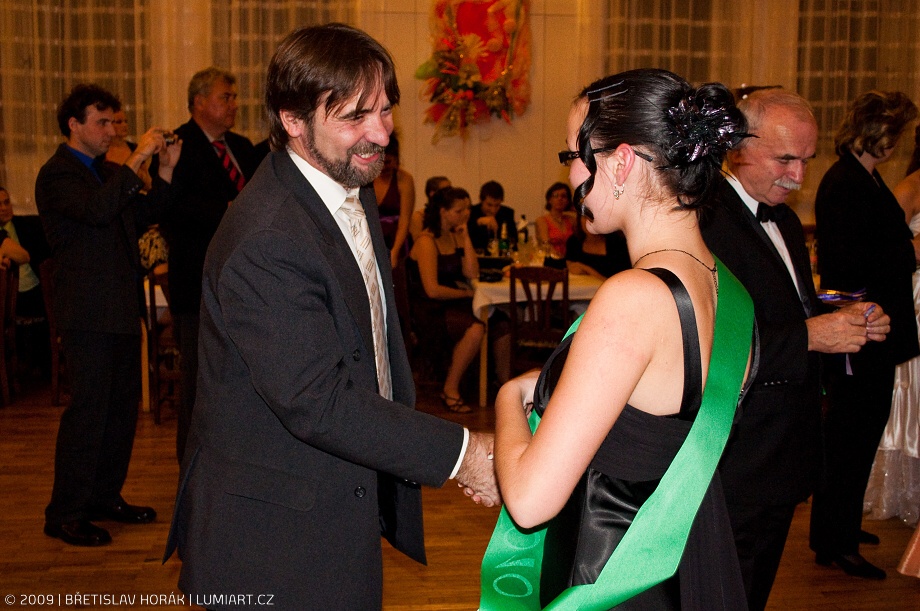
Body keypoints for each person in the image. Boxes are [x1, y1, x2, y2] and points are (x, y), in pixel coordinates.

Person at [164, 24, 498, 610]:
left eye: (386, 110)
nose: (381, 133)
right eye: (355, 116)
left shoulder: (345, 180)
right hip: (272, 539)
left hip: (333, 503)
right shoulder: (267, 238)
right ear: (293, 120)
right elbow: (319, 402)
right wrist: (466, 455)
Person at [492, 69, 753, 609]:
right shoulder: (727, 290)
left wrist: (507, 397)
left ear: (621, 162)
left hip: (611, 578)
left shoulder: (634, 298)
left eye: (572, 155)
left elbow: (530, 501)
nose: (570, 174)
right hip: (678, 564)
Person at [699, 88, 890, 609]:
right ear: (738, 147)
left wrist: (845, 316)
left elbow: (788, 307)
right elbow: (706, 339)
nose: (799, 177)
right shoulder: (704, 221)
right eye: (785, 159)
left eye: (806, 160)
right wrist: (812, 335)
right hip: (736, 454)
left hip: (783, 451)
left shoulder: (781, 218)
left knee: (754, 590)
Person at [35, 84, 181, 547]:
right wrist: (136, 159)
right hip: (86, 312)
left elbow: (144, 215)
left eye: (114, 122)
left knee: (120, 411)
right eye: (102, 122)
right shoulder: (58, 174)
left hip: (118, 307)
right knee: (89, 412)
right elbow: (98, 212)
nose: (112, 131)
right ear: (73, 125)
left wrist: (165, 170)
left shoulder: (105, 172)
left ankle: (103, 497)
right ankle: (65, 512)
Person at [811, 90, 920, 581]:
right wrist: (911, 253)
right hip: (861, 330)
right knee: (850, 437)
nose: (899, 143)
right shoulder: (845, 182)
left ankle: (840, 528)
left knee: (858, 435)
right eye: (896, 132)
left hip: (872, 330)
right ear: (879, 131)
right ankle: (836, 541)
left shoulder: (864, 178)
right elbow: (850, 261)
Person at [161, 67, 261, 463]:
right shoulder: (177, 146)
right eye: (226, 97)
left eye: (234, 97)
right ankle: (192, 468)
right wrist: (228, 209)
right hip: (198, 282)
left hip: (245, 282)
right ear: (199, 102)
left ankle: (234, 461)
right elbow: (171, 209)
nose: (234, 104)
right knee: (198, 381)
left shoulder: (241, 146)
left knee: (241, 377)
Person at [408, 186, 508, 413]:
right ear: (443, 212)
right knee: (475, 329)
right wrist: (466, 294)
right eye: (459, 211)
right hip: (431, 308)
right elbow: (432, 290)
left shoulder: (455, 235)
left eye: (467, 209)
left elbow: (472, 273)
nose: (465, 214)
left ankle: (503, 386)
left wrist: (466, 237)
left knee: (502, 324)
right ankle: (450, 388)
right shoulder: (426, 240)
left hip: (453, 301)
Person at [372, 132, 416, 268]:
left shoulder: (404, 180)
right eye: (379, 162)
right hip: (372, 239)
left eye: (387, 162)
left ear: (396, 159)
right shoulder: (367, 178)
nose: (383, 167)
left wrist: (395, 251)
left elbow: (405, 220)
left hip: (396, 241)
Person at [564, 214, 630, 279]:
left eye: (593, 218)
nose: (589, 222)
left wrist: (587, 269)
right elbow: (570, 266)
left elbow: (622, 279)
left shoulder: (618, 243)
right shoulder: (574, 241)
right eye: (585, 217)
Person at [106, 109, 153, 191]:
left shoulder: (134, 148)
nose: (124, 125)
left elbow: (148, 185)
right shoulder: (103, 150)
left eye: (126, 121)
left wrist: (141, 176)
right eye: (119, 122)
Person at [467, 180, 516, 253]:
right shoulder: (471, 213)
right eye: (489, 205)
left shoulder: (507, 213)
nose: (493, 210)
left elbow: (513, 241)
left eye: (497, 205)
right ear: (480, 200)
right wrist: (479, 222)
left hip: (500, 257)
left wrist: (501, 246)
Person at [535, 181, 576, 257]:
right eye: (555, 196)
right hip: (552, 259)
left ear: (568, 201)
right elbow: (546, 245)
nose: (560, 199)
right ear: (549, 200)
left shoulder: (572, 220)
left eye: (563, 196)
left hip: (571, 259)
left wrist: (576, 209)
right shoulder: (542, 220)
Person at [409, 174, 450, 241]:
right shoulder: (419, 217)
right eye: (445, 190)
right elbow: (416, 242)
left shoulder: (450, 215)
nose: (450, 194)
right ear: (432, 193)